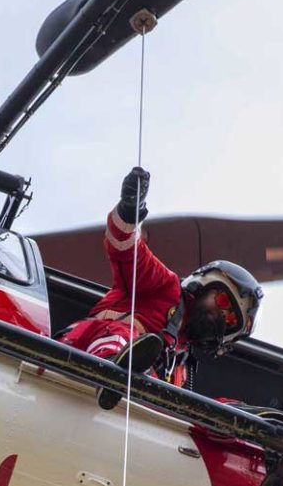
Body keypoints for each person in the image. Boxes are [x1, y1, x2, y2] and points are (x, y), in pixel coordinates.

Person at [58, 167, 264, 409]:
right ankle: (113, 368)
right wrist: (129, 210)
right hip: (72, 362)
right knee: (127, 336)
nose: (220, 315)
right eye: (222, 302)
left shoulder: (181, 368)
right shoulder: (165, 287)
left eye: (229, 319)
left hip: (124, 413)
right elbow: (126, 250)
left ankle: (235, 419)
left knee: (186, 402)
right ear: (204, 285)